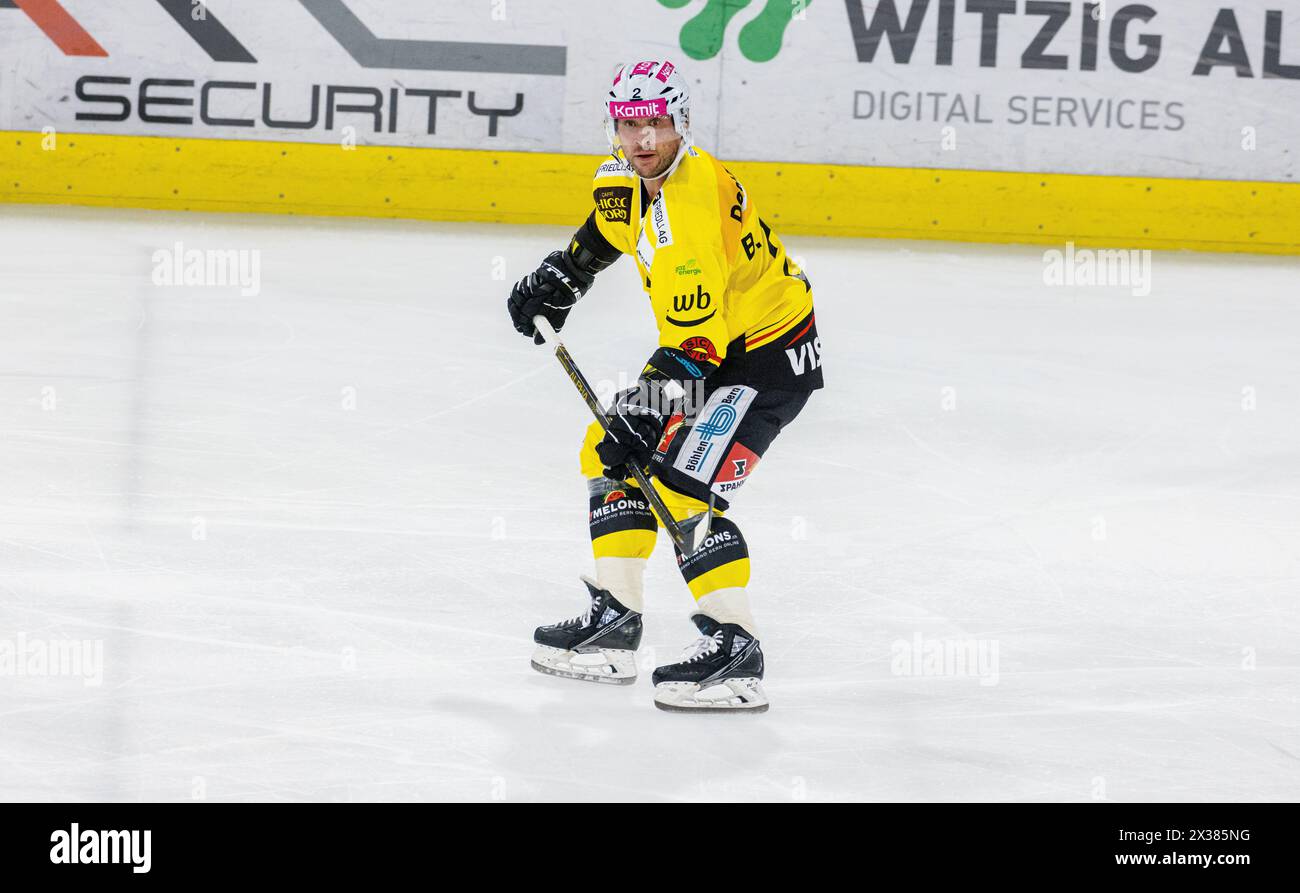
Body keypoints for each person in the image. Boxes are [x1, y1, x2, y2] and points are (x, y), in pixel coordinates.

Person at [507, 59, 823, 713]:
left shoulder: (689, 212)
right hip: (721, 345)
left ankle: (739, 652)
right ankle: (614, 625)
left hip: (768, 355)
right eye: (629, 124)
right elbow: (607, 229)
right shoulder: (624, 178)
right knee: (606, 449)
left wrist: (647, 411)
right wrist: (562, 276)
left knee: (679, 484)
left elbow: (697, 345)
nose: (642, 139)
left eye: (655, 123)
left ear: (680, 123)